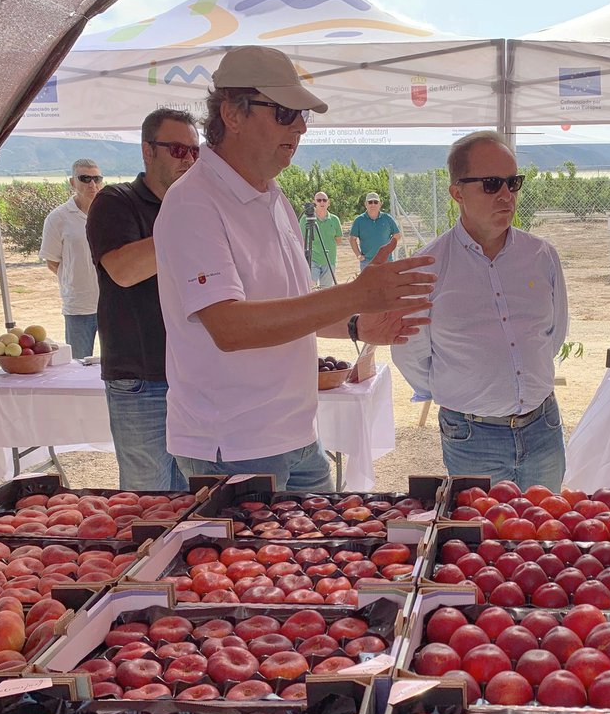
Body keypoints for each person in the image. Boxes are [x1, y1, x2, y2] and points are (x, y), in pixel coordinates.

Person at [154, 46, 435, 486]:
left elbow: (290, 308)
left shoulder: (273, 196)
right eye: (285, 112)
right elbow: (230, 327)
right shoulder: (194, 202)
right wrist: (357, 294)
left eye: (303, 115)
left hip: (296, 435)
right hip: (235, 446)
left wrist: (359, 326)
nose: (301, 126)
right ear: (232, 113)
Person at [392, 131, 569, 489]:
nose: (507, 195)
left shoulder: (542, 257)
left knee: (545, 536)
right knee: (483, 539)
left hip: (543, 428)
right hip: (472, 437)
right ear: (457, 191)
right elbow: (410, 354)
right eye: (491, 184)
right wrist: (462, 391)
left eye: (513, 182)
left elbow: (553, 335)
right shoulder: (426, 268)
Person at [86, 109, 199, 490]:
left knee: (195, 494)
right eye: (179, 149)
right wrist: (184, 226)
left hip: (191, 376)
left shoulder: (191, 206)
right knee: (148, 496)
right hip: (139, 379)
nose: (188, 159)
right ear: (148, 151)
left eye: (195, 153)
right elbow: (124, 270)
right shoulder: (116, 202)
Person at [41, 159, 102, 357]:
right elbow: (52, 261)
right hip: (78, 306)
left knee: (120, 366)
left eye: (96, 178)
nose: (92, 184)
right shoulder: (58, 218)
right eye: (85, 178)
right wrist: (75, 278)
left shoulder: (111, 213)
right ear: (72, 182)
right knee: (78, 365)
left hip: (111, 303)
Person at [349, 191, 401, 271]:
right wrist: (359, 255)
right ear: (365, 204)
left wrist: (388, 248)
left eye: (375, 202)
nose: (373, 204)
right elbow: (352, 239)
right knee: (368, 284)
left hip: (386, 261)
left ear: (380, 204)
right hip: (367, 262)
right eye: (370, 202)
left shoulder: (387, 218)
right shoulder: (359, 220)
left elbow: (397, 235)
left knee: (386, 283)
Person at [305, 190, 342, 288]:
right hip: (312, 259)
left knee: (326, 290)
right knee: (309, 287)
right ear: (314, 202)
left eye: (324, 200)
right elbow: (300, 239)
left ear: (328, 203)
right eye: (319, 200)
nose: (322, 202)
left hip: (329, 260)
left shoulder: (334, 220)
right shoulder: (305, 219)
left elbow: (339, 240)